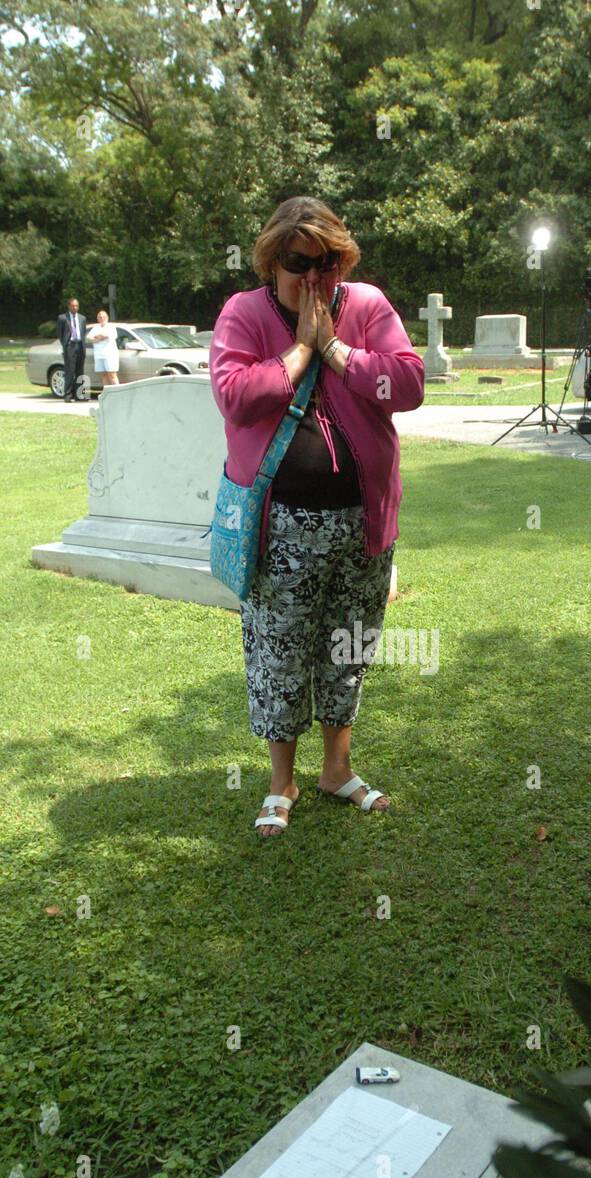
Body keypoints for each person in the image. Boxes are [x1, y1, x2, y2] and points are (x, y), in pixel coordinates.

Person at [209, 196, 425, 837]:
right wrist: (299, 353)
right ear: (274, 260)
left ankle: (336, 769)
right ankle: (282, 782)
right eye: (302, 263)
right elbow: (236, 398)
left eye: (330, 263)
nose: (317, 279)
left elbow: (408, 385)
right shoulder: (244, 314)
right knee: (280, 655)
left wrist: (337, 351)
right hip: (281, 531)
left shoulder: (365, 306)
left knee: (347, 650)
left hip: (362, 523)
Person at [57, 296, 87, 402]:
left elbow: (83, 333)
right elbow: (60, 334)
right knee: (69, 371)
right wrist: (66, 345)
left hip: (80, 346)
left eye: (77, 306)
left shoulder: (82, 318)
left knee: (80, 372)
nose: (75, 308)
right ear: (69, 306)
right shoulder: (62, 318)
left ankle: (80, 395)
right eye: (73, 306)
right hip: (70, 346)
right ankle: (68, 395)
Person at [86, 309, 120, 388]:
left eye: (103, 317)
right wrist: (99, 338)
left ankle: (118, 393)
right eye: (100, 317)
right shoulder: (95, 328)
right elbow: (88, 338)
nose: (102, 318)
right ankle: (108, 394)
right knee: (103, 375)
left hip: (110, 355)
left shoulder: (111, 327)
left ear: (107, 318)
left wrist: (98, 337)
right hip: (98, 355)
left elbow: (108, 336)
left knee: (112, 375)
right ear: (98, 319)